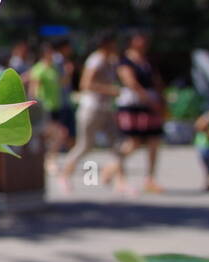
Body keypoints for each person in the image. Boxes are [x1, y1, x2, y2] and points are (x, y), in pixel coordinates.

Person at [60, 32, 124, 192]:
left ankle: (118, 180)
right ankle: (65, 175)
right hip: (91, 108)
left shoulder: (110, 61)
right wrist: (110, 90)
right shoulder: (96, 60)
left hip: (105, 108)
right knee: (85, 145)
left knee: (117, 145)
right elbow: (85, 84)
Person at [115, 31, 166, 194]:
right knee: (133, 142)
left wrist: (161, 99)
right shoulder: (125, 61)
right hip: (133, 104)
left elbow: (157, 81)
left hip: (151, 104)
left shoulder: (148, 60)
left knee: (153, 141)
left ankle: (150, 178)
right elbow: (131, 83)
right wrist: (150, 100)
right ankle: (116, 169)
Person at [26, 43, 67, 171]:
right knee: (59, 134)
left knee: (52, 136)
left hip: (55, 106)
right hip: (45, 108)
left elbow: (60, 84)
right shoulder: (39, 69)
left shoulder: (54, 68)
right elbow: (34, 89)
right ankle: (49, 160)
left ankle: (48, 159)